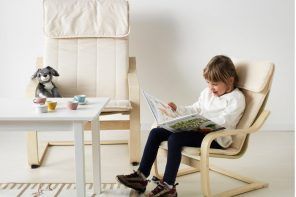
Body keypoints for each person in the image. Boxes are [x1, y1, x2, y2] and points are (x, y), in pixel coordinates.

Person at [116, 55, 246, 197]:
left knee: (175, 139)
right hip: (199, 130)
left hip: (216, 138)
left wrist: (201, 122)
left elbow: (225, 121)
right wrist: (177, 110)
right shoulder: (208, 93)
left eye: (214, 84)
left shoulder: (237, 99)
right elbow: (196, 108)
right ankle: (140, 177)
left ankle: (168, 186)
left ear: (230, 81)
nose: (210, 87)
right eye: (208, 82)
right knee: (156, 132)